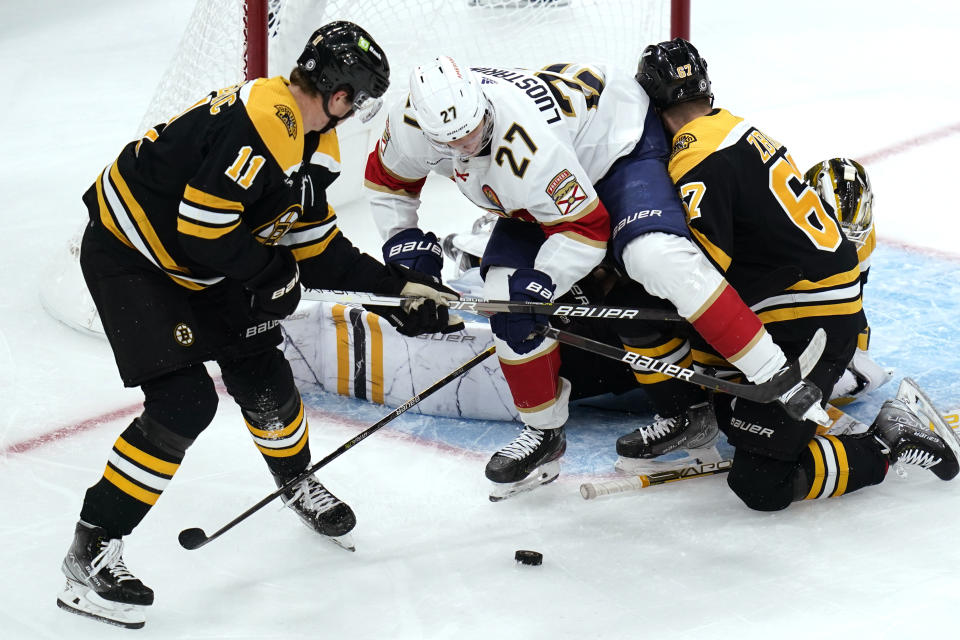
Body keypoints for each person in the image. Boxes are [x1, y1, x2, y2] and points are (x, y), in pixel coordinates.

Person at [57, 22, 462, 629]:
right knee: (183, 402)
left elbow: (317, 247)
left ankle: (294, 482)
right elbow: (202, 226)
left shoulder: (306, 144)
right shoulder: (264, 120)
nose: (358, 113)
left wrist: (397, 290)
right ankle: (90, 549)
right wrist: (273, 276)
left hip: (207, 261)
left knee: (264, 376)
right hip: (131, 257)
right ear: (341, 93)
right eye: (361, 99)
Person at [364, 55, 827, 500]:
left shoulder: (523, 140)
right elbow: (388, 185)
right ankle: (543, 434)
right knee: (504, 295)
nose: (466, 147)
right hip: (540, 183)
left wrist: (544, 280)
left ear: (483, 105)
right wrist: (407, 260)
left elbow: (585, 229)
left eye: (474, 133)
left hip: (614, 145)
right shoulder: (410, 124)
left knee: (654, 256)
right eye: (452, 142)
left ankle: (774, 371)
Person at [624, 37, 957, 512]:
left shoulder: (693, 159)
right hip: (805, 303)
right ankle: (711, 414)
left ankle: (888, 438)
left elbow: (699, 275)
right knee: (729, 400)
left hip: (809, 321)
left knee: (762, 484)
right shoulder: (735, 129)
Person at [805, 158, 893, 404]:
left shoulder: (864, 242)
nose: (846, 248)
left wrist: (855, 359)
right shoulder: (774, 231)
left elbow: (854, 303)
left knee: (866, 376)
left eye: (853, 236)